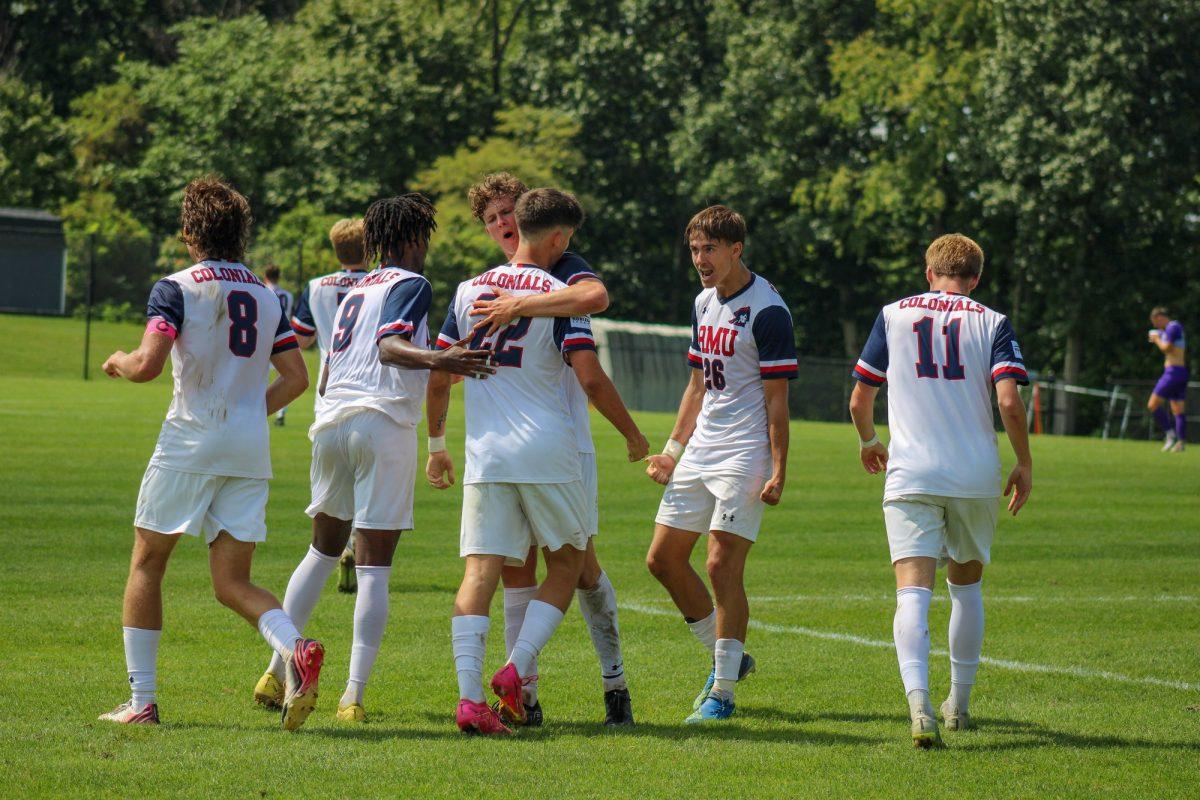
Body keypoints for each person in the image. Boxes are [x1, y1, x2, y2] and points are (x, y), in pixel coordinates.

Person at [253, 194, 494, 722]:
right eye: (424, 239)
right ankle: (352, 696)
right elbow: (391, 347)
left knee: (320, 551)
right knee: (375, 567)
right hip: (380, 423)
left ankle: (277, 669)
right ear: (410, 240)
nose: (426, 250)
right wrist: (442, 357)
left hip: (330, 422)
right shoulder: (412, 283)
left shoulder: (357, 288)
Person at [99, 176, 322, 730]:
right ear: (241, 233)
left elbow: (148, 365)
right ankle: (295, 648)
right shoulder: (267, 296)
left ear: (189, 231)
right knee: (233, 584)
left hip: (191, 439)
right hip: (248, 448)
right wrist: (248, 411)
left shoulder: (175, 287)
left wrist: (120, 359)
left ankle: (142, 702)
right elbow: (296, 378)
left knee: (148, 563)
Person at [427, 188, 647, 735]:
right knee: (571, 564)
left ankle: (469, 698)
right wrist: (635, 435)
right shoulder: (558, 290)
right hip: (551, 449)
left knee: (483, 572)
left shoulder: (467, 289)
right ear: (556, 238)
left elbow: (439, 371)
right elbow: (589, 373)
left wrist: (435, 442)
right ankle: (518, 672)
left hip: (486, 454)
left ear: (516, 223)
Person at [848, 233, 1032, 748]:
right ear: (975, 278)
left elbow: (860, 398)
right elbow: (1010, 403)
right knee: (966, 590)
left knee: (913, 591)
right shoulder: (992, 321)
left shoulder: (893, 315)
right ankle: (961, 705)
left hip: (912, 473)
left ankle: (919, 705)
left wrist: (869, 442)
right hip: (975, 476)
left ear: (928, 273)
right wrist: (1024, 462)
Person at [643, 205, 796, 724]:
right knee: (662, 560)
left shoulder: (769, 311)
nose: (701, 260)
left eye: (710, 249)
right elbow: (696, 384)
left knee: (719, 565)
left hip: (745, 452)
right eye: (694, 250)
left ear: (736, 250)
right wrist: (672, 449)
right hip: (704, 447)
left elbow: (777, 400)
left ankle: (723, 691)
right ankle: (730, 655)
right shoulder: (703, 302)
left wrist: (779, 468)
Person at [291, 218, 372, 592]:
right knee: (368, 476)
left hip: (330, 392)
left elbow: (303, 339)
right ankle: (358, 545)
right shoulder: (381, 283)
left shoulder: (314, 287)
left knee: (331, 480)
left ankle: (329, 545)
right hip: (371, 388)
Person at [1147, 307, 1188, 452]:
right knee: (1177, 409)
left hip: (1173, 372)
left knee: (1152, 404)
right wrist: (1158, 335)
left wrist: (1157, 338)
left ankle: (1170, 435)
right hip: (1181, 372)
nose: (1155, 325)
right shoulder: (1171, 329)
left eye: (1155, 322)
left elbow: (1167, 349)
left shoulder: (1172, 327)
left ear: (1159, 317)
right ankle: (1181, 443)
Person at [262, 265, 294, 427]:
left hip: (265, 336)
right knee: (285, 376)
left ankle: (260, 408)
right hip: (283, 336)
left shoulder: (262, 291)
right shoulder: (288, 295)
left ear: (265, 276)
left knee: (261, 376)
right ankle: (280, 413)